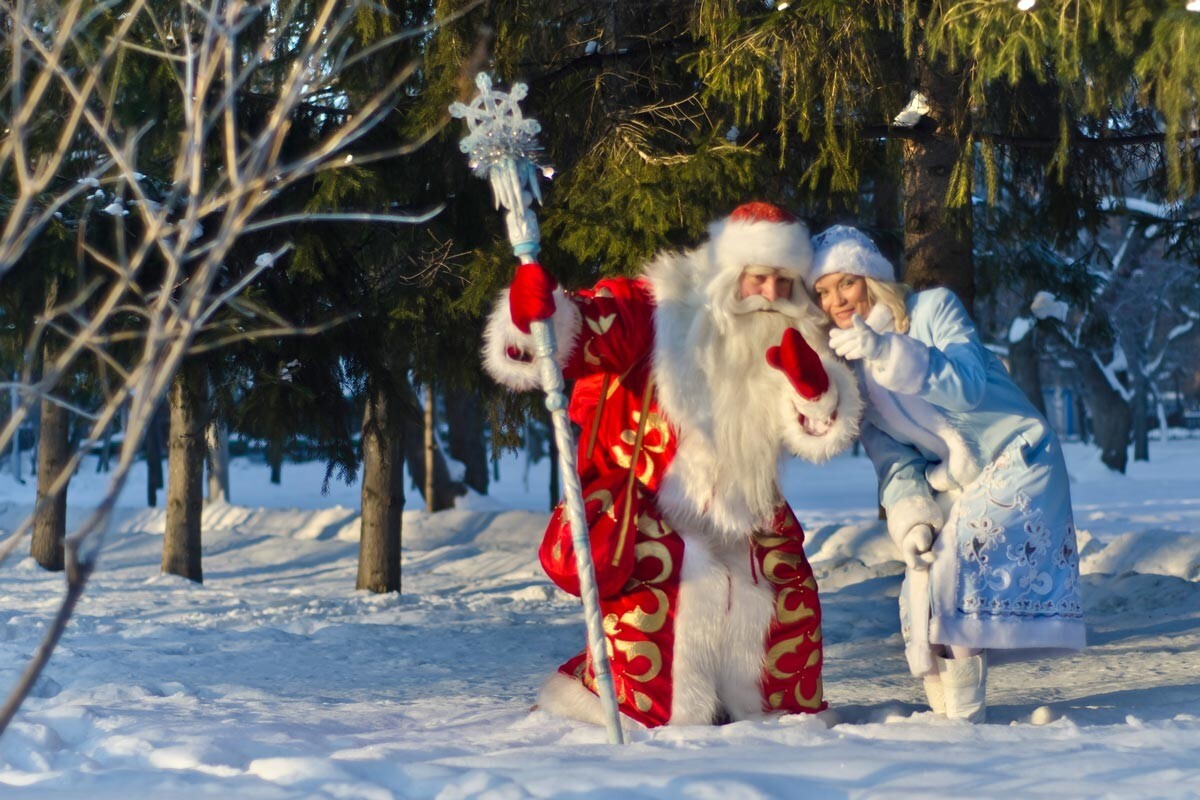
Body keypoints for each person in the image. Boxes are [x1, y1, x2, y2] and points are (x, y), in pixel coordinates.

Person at [482, 202, 864, 728]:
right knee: (659, 631)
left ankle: (755, 712)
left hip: (748, 512)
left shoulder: (795, 330)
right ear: (728, 274)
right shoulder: (661, 308)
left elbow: (819, 430)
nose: (773, 294)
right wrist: (538, 316)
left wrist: (814, 390)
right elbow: (588, 329)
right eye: (759, 278)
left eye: (785, 281)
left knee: (784, 608)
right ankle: (649, 717)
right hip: (650, 510)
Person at [806, 225, 1086, 723]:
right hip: (955, 477)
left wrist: (886, 351)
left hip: (1020, 453)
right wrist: (911, 518)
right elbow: (892, 459)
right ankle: (952, 716)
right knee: (924, 580)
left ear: (870, 278)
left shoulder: (932, 308)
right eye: (823, 292)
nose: (836, 301)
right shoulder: (848, 372)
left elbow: (971, 385)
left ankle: (965, 721)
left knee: (957, 570)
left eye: (844, 283)